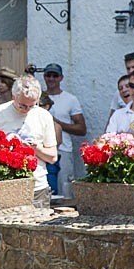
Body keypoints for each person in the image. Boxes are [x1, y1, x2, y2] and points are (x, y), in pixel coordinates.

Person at [0, 75, 58, 208]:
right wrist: (3, 146)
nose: (27, 110)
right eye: (22, 106)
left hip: (37, 187)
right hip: (5, 185)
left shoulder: (44, 116)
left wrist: (36, 149)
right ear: (13, 96)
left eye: (32, 106)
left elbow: (53, 157)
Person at [38, 62, 86, 199]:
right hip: (41, 150)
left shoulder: (70, 99)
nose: (51, 78)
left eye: (55, 75)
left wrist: (55, 122)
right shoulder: (38, 98)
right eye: (48, 75)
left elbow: (81, 128)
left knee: (65, 187)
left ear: (61, 77)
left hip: (63, 149)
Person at [38, 92, 63, 195]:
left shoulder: (55, 126)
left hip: (49, 163)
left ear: (46, 107)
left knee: (50, 191)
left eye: (39, 105)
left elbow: (57, 144)